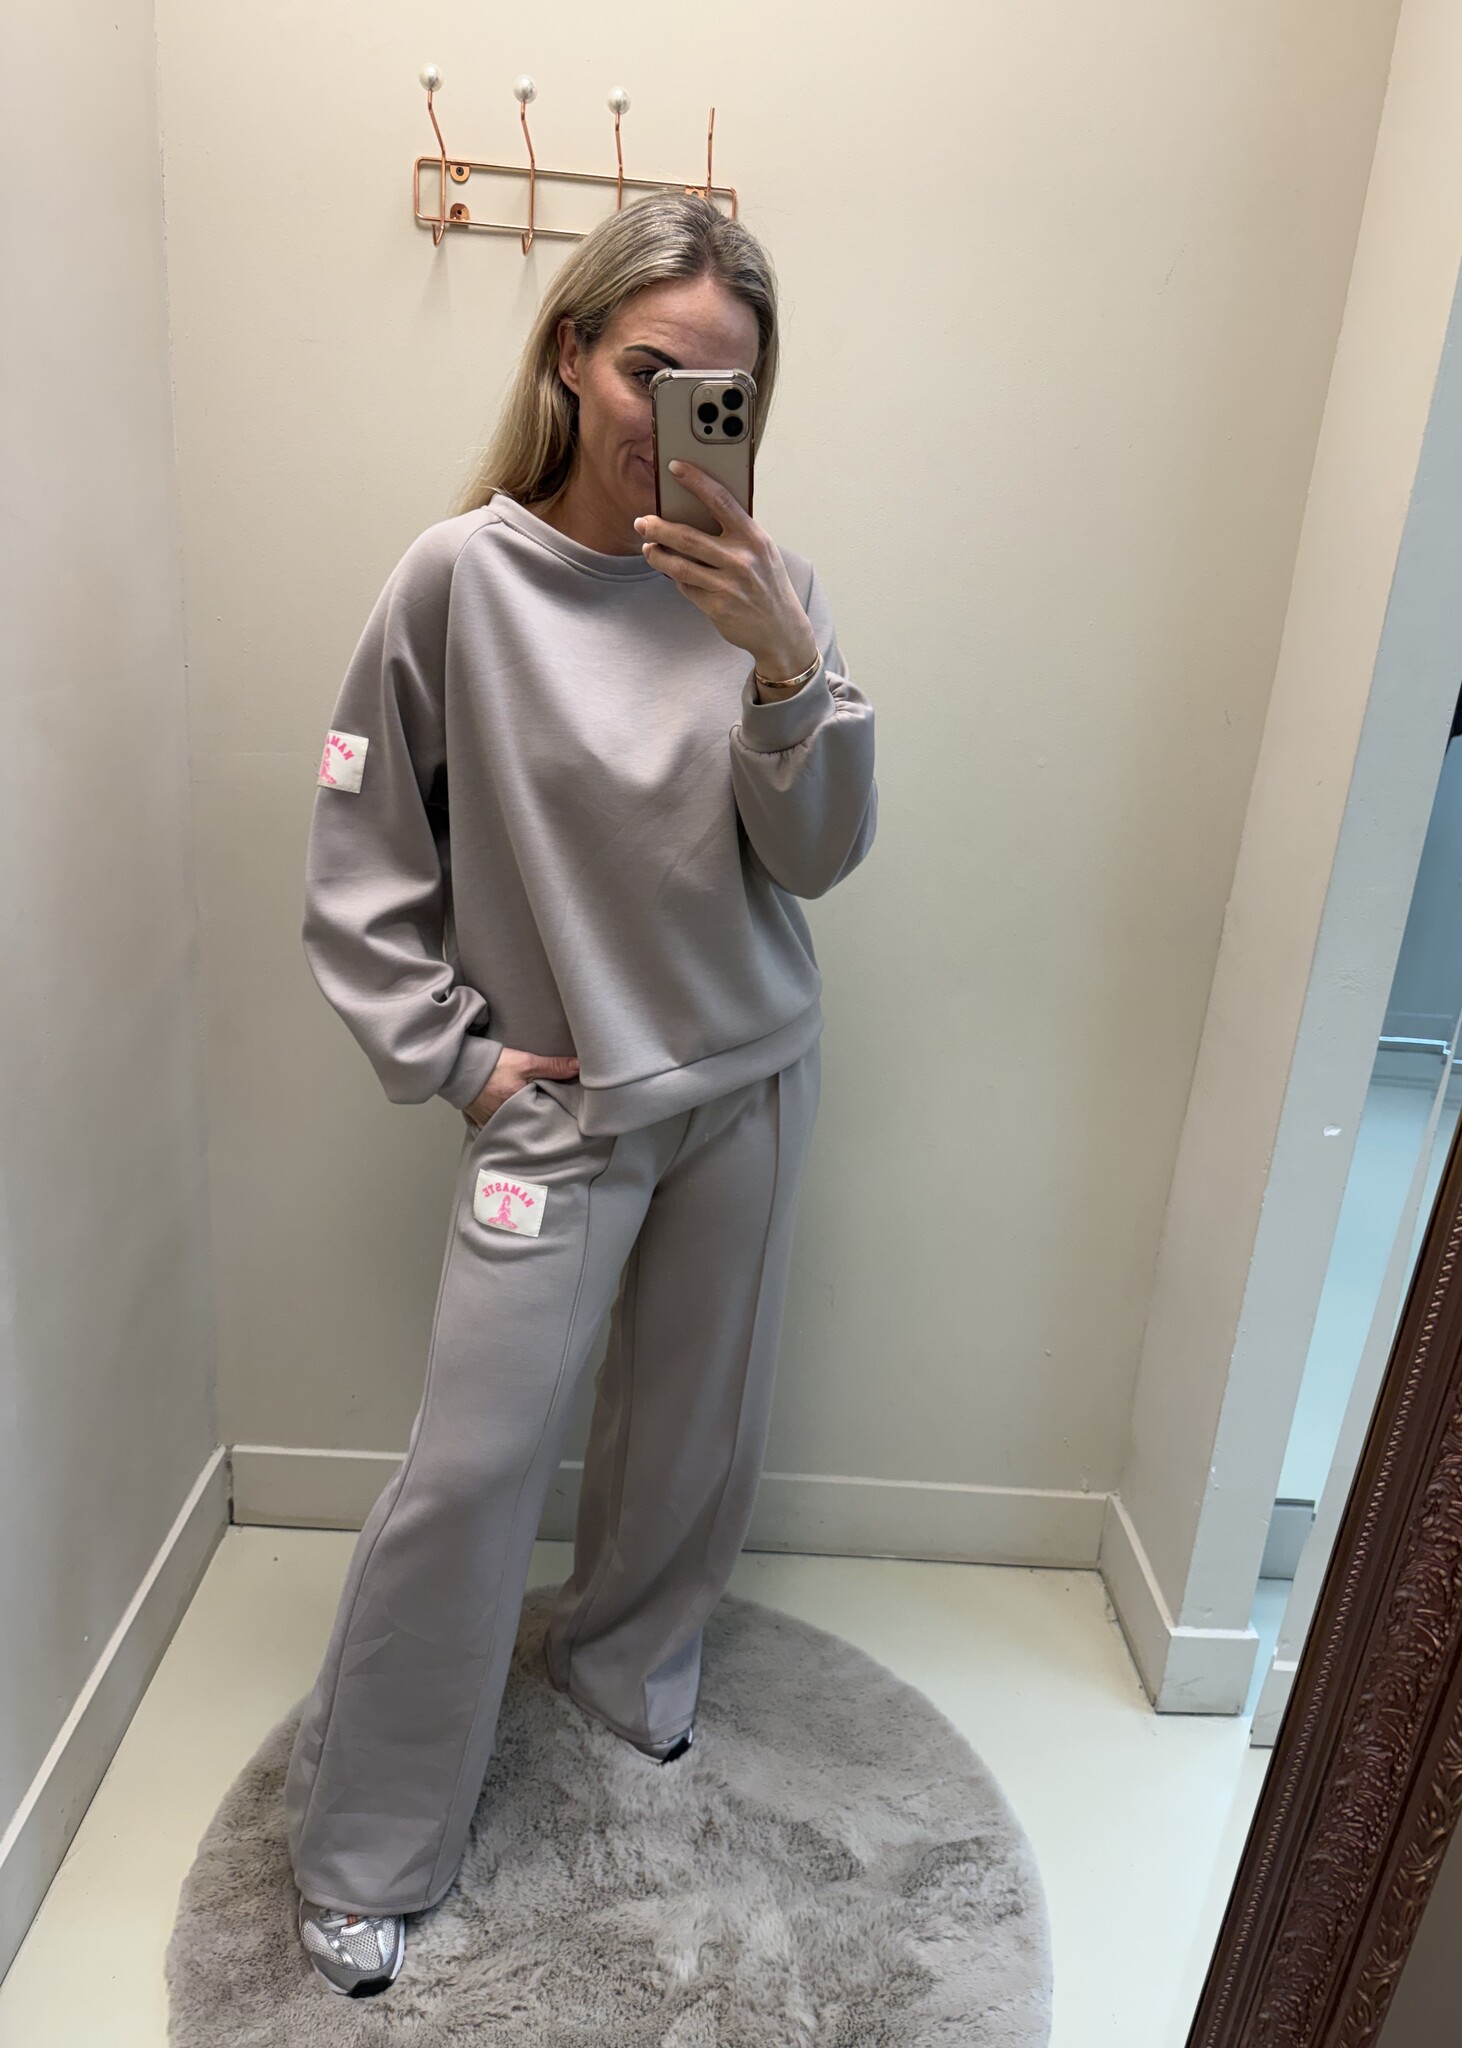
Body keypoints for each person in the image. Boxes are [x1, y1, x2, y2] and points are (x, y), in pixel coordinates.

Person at [285, 191, 877, 1998]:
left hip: (745, 1080)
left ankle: (628, 1669)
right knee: (472, 1475)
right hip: (555, 1110)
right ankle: (371, 1846)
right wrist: (457, 1059)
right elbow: (358, 850)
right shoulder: (457, 581)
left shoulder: (770, 592)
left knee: (695, 1435)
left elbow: (820, 856)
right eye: (649, 370)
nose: (673, 414)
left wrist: (787, 666)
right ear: (570, 354)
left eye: (721, 389)